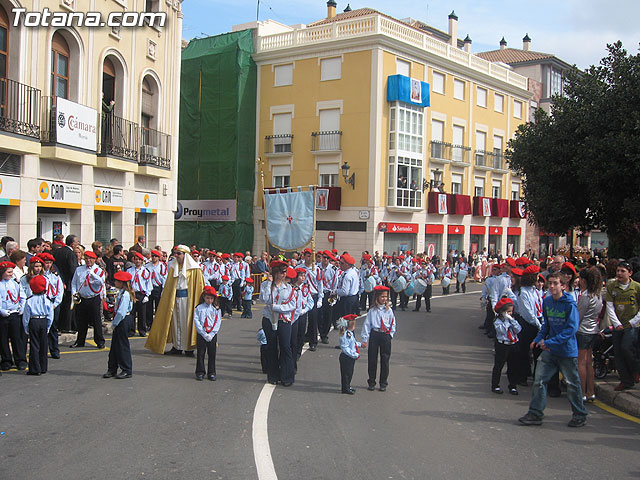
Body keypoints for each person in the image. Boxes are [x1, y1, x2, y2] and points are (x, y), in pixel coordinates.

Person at [518, 272, 588, 427]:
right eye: (550, 283)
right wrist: (537, 339)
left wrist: (550, 342)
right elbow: (546, 325)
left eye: (555, 283)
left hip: (566, 351)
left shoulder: (569, 304)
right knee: (539, 381)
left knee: (572, 383)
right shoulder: (547, 301)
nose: (551, 286)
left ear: (563, 286)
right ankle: (535, 414)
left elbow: (571, 329)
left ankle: (579, 414)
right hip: (550, 350)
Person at [145, 245, 204, 356]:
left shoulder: (195, 269)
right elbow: (169, 285)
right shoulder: (173, 268)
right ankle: (177, 346)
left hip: (188, 300)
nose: (176, 256)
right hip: (175, 298)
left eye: (179, 254)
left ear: (185, 255)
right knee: (176, 323)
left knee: (187, 322)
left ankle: (188, 348)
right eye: (175, 253)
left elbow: (199, 287)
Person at [604, 261, 640, 391]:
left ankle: (636, 369)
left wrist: (633, 322)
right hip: (618, 325)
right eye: (618, 271)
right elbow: (609, 305)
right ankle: (626, 380)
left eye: (622, 271)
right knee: (618, 353)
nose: (619, 273)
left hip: (632, 325)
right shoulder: (612, 286)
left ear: (630, 273)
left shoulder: (636, 287)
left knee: (627, 347)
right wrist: (616, 323)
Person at [259, 260, 296, 386]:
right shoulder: (266, 285)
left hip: (283, 320)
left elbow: (292, 305)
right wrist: (268, 284)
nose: (283, 274)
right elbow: (264, 299)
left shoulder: (289, 287)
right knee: (272, 347)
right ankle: (273, 375)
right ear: (275, 272)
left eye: (284, 272)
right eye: (281, 272)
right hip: (270, 320)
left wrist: (278, 308)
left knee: (286, 347)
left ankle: (287, 376)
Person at [361, 286, 396, 392]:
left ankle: (383, 382)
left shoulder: (389, 310)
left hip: (385, 335)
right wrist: (364, 338)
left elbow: (393, 323)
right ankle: (371, 381)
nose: (384, 299)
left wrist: (390, 335)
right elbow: (367, 325)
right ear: (377, 297)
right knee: (372, 359)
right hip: (375, 334)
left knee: (385, 359)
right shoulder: (372, 310)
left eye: (386, 297)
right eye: (382, 297)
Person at [576, 267, 603, 402]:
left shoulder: (585, 297)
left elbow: (578, 317)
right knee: (589, 363)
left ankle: (581, 392)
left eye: (580, 279)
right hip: (593, 330)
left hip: (582, 331)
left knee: (581, 363)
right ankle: (590, 391)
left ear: (584, 280)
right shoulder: (598, 295)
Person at [70, 251, 106, 349]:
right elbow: (74, 283)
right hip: (82, 297)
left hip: (93, 298)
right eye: (86, 258)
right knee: (81, 321)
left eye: (90, 258)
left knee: (96, 320)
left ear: (94, 260)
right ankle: (80, 341)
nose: (88, 260)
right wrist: (74, 294)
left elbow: (101, 282)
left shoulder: (98, 270)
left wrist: (93, 274)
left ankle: (99, 341)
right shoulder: (79, 269)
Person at [104, 271, 135, 379]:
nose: (115, 282)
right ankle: (112, 368)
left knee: (122, 346)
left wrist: (114, 324)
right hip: (121, 319)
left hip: (123, 319)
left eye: (117, 281)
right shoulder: (122, 292)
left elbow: (121, 312)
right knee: (115, 346)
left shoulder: (125, 295)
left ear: (122, 283)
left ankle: (126, 369)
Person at [22, 275, 54, 376]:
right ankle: (43, 366)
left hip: (34, 321)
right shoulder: (47, 299)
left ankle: (35, 368)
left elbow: (26, 316)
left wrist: (26, 327)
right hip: (43, 321)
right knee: (44, 345)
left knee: (34, 345)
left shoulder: (29, 300)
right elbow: (50, 315)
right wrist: (48, 326)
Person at [491, 298, 522, 395]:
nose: (510, 314)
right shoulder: (497, 321)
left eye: (511, 311)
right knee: (499, 366)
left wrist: (512, 320)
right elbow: (502, 331)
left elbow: (518, 329)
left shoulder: (512, 320)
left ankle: (513, 385)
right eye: (508, 312)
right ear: (502, 312)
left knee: (513, 366)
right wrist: (506, 321)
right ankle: (495, 385)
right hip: (502, 344)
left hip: (513, 344)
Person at [0, 261, 27, 371]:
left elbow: (22, 297)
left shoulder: (15, 283)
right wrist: (1, 310)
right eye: (8, 272)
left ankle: (20, 360)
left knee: (17, 338)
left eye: (11, 272)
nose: (11, 274)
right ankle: (6, 360)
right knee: (3, 338)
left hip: (14, 313)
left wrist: (22, 307)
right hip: (3, 315)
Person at [53, 234, 80, 333]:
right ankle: (67, 326)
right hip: (68, 282)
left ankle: (60, 325)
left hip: (59, 281)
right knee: (69, 305)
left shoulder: (58, 251)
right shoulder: (71, 254)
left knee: (61, 304)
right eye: (76, 242)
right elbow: (73, 270)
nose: (77, 244)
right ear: (72, 244)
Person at [193, 286, 221, 381]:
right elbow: (196, 321)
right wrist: (203, 333)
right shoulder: (199, 308)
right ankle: (200, 372)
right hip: (202, 334)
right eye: (207, 298)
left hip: (212, 334)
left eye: (212, 298)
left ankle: (212, 372)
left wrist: (212, 334)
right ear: (204, 297)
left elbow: (218, 322)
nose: (209, 300)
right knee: (200, 353)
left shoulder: (216, 309)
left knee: (212, 353)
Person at [40, 252, 63, 359]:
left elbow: (59, 290)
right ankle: (42, 350)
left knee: (53, 327)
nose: (48, 265)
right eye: (46, 263)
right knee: (42, 327)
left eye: (49, 263)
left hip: (53, 302)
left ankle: (54, 350)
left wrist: (55, 304)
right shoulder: (39, 276)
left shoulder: (55, 275)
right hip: (42, 302)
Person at [127, 252, 152, 337]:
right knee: (132, 312)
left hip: (141, 293)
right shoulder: (129, 270)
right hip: (133, 293)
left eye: (139, 260)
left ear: (142, 261)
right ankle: (131, 330)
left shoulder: (145, 271)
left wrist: (147, 295)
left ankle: (142, 330)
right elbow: (127, 283)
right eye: (136, 259)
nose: (137, 261)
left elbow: (148, 284)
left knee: (142, 313)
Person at [339, 314, 363, 394]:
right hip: (347, 357)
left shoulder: (349, 333)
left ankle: (348, 386)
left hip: (349, 357)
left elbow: (353, 343)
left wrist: (360, 344)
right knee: (346, 374)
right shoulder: (346, 335)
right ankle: (345, 388)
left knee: (350, 373)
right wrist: (354, 354)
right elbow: (345, 347)